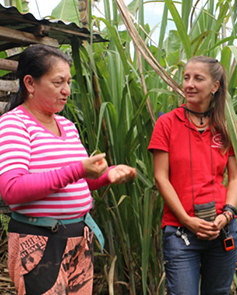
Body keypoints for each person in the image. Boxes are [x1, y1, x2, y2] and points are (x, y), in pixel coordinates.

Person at [0, 44, 137, 295]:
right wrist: (76, 170)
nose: (66, 91)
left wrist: (106, 176)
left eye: (69, 82)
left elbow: (77, 181)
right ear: (30, 83)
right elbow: (12, 189)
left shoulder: (67, 126)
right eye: (58, 82)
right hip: (39, 241)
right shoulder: (14, 124)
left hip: (79, 237)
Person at [148, 56, 237, 295]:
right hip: (180, 233)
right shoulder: (166, 123)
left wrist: (227, 214)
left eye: (198, 78)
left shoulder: (225, 125)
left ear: (215, 86)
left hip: (222, 231)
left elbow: (236, 178)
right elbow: (161, 177)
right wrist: (187, 220)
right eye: (187, 77)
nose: (189, 84)